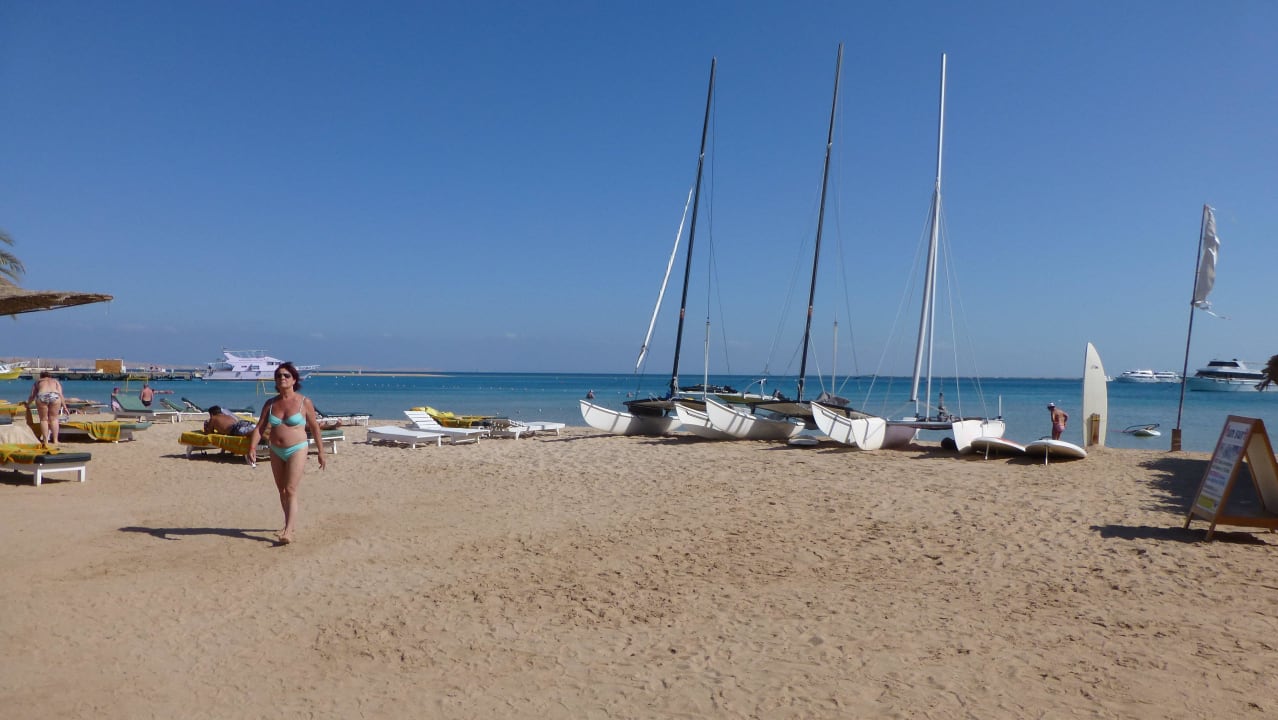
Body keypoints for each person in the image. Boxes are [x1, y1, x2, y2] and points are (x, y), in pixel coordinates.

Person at [249, 361, 326, 545]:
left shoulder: (304, 402)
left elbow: (314, 427)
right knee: (282, 490)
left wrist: (321, 452)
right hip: (275, 449)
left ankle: (289, 531)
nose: (282, 378)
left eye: (286, 375)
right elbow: (260, 427)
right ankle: (287, 524)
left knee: (290, 489)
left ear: (294, 380)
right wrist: (252, 447)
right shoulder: (270, 403)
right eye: (278, 376)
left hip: (297, 448)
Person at [27, 371, 64, 445]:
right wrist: (65, 406)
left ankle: (45, 440)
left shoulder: (38, 382)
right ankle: (55, 440)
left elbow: (32, 395)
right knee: (54, 419)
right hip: (54, 396)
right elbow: (60, 394)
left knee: (43, 419)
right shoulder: (55, 381)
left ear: (41, 376)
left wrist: (28, 404)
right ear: (50, 376)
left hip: (42, 396)